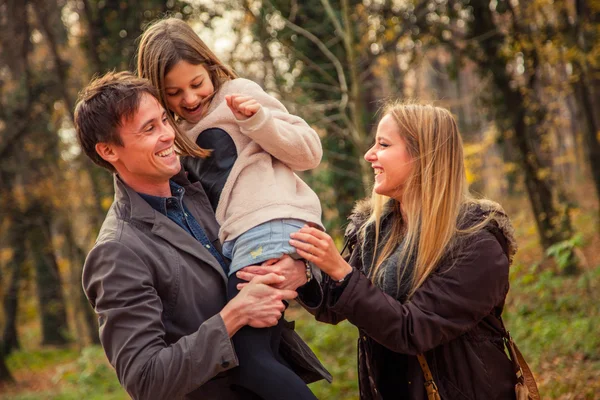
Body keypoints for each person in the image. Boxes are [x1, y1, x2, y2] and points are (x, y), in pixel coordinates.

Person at [74, 71, 330, 400]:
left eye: (165, 120)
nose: (168, 135)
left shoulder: (204, 191)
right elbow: (145, 380)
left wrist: (300, 270)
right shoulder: (117, 252)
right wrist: (234, 316)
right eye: (149, 129)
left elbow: (280, 248)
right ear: (109, 151)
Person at [242, 102, 520, 399]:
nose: (368, 155)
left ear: (424, 155)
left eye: (383, 144)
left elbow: (412, 330)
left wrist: (341, 271)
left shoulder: (476, 242)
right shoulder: (376, 231)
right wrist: (304, 274)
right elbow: (337, 306)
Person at [137, 17, 324, 400]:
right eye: (173, 92)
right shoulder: (173, 133)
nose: (189, 99)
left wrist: (258, 120)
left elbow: (308, 152)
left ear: (211, 67)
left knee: (246, 359)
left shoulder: (237, 94)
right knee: (261, 353)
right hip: (241, 240)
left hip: (268, 228)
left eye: (196, 84)